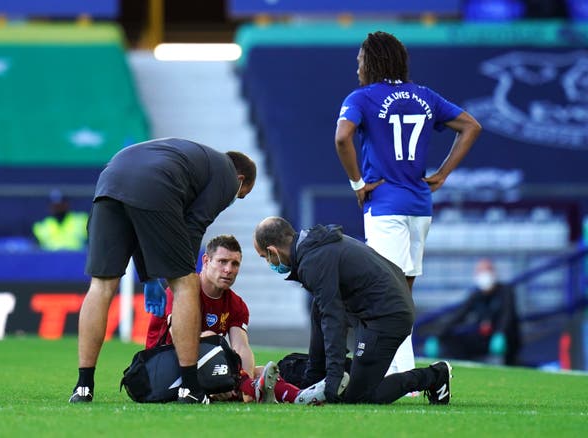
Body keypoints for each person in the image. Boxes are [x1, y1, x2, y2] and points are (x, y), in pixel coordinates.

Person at [334, 31, 482, 374]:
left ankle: (391, 372)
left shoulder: (363, 97)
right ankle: (403, 369)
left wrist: (357, 182)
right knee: (403, 292)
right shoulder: (424, 95)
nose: (357, 67)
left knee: (384, 292)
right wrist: (442, 174)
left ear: (372, 61)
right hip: (420, 205)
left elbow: (342, 137)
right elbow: (471, 126)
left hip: (385, 205)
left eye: (360, 60)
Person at [69, 137, 256, 404]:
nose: (232, 200)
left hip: (110, 179)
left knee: (101, 285)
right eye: (240, 195)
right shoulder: (227, 174)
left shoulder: (196, 160)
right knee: (186, 283)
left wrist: (148, 276)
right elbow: (195, 225)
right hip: (154, 185)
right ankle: (189, 387)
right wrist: (179, 274)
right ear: (240, 178)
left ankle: (83, 387)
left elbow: (138, 222)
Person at [253, 216, 453, 405]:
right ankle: (316, 374)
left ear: (273, 251)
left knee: (359, 397)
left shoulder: (313, 260)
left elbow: (334, 320)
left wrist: (334, 377)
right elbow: (326, 313)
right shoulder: (314, 247)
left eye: (265, 257)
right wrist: (315, 377)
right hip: (376, 309)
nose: (269, 262)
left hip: (387, 317)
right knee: (319, 306)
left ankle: (435, 375)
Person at [145, 234, 325, 404]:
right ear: (206, 261)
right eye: (222, 262)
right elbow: (178, 339)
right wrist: (223, 373)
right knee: (209, 338)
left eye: (235, 264)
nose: (228, 270)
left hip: (204, 368)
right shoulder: (182, 292)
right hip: (161, 371)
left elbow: (241, 347)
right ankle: (249, 387)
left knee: (259, 372)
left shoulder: (236, 304)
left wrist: (238, 377)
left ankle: (297, 397)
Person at [424, 258, 522, 365]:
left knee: (507, 340)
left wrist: (500, 333)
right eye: (480, 272)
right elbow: (459, 315)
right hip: (484, 338)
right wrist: (437, 335)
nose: (484, 275)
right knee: (453, 340)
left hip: (505, 339)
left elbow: (507, 316)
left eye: (487, 271)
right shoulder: (476, 295)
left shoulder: (506, 291)